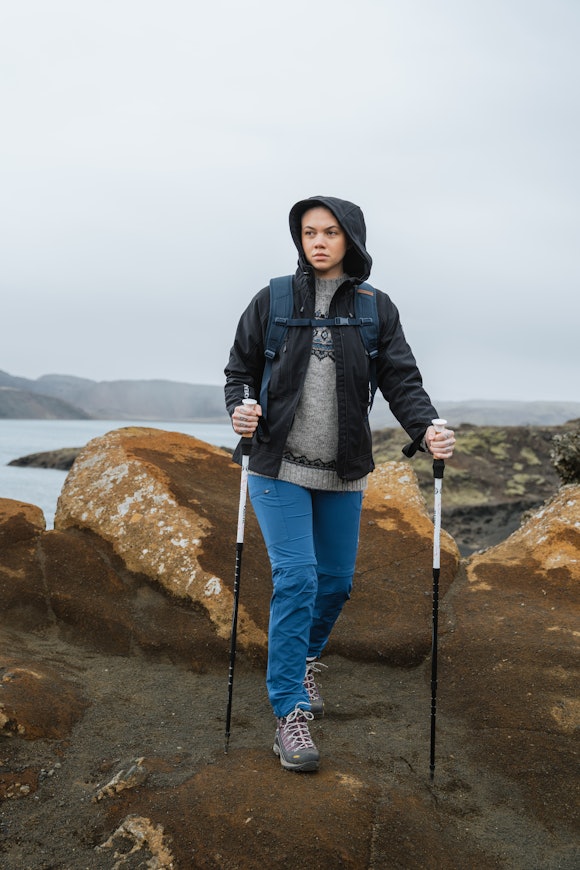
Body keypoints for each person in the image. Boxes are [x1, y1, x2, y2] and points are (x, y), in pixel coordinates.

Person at [224, 195, 456, 773]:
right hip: (279, 466)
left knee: (335, 584)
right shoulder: (273, 299)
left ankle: (303, 659)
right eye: (308, 232)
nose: (319, 242)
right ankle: (289, 714)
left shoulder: (376, 309)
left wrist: (427, 428)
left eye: (330, 232)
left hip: (343, 469)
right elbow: (239, 371)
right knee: (298, 578)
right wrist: (240, 408)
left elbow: (401, 379)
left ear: (350, 238)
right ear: (298, 239)